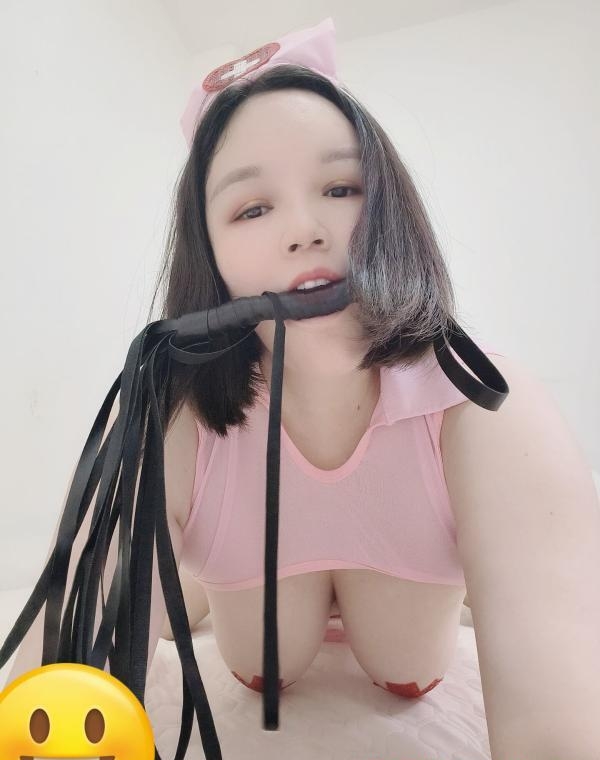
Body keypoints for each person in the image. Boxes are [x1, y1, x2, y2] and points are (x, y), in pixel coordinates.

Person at [5, 16, 600, 760]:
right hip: (256, 616)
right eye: (252, 208)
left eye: (341, 187)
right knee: (259, 653)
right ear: (209, 259)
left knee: (406, 660)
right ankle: (195, 579)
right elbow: (52, 699)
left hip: (407, 621)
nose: (305, 230)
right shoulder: (167, 411)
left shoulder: (488, 405)